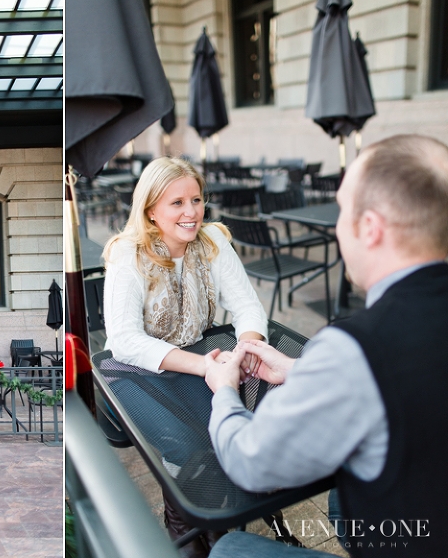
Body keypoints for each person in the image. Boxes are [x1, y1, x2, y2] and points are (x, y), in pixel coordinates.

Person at [204, 134, 448, 558]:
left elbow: (249, 462)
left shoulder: (358, 347)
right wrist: (299, 370)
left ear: (369, 228)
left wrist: (225, 390)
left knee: (230, 550)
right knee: (343, 494)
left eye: (341, 210)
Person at [102, 156, 268, 557]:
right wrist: (205, 367)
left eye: (196, 199)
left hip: (200, 353)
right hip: (136, 368)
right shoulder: (130, 253)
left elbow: (248, 307)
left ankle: (217, 521)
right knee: (187, 445)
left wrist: (245, 347)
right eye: (176, 203)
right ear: (151, 210)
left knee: (233, 427)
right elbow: (124, 340)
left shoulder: (212, 242)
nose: (191, 212)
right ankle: (184, 524)